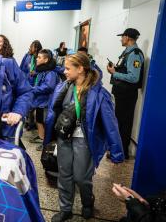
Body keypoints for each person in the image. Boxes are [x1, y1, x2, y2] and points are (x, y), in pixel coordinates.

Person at [44, 53, 124, 221]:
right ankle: (65, 209)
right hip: (64, 137)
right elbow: (53, 112)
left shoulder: (99, 93)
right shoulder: (64, 87)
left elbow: (111, 124)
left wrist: (116, 151)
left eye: (67, 68)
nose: (64, 71)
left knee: (81, 176)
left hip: (84, 139)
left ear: (80, 69)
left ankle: (87, 202)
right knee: (64, 174)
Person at [107, 28, 144, 160]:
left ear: (128, 38)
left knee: (124, 123)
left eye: (122, 36)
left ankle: (122, 153)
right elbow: (126, 71)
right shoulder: (126, 53)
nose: (121, 39)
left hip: (127, 94)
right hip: (122, 93)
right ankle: (118, 150)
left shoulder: (135, 54)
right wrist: (115, 69)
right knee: (120, 122)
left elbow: (134, 77)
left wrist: (114, 73)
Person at [30, 49, 60, 150]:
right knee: (38, 119)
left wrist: (33, 89)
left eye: (39, 57)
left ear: (46, 60)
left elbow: (48, 87)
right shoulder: (42, 71)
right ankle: (42, 138)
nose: (36, 59)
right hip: (40, 101)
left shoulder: (50, 73)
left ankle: (46, 144)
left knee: (46, 122)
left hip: (46, 102)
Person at [20, 40, 42, 131]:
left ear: (36, 48)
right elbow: (21, 68)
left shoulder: (40, 57)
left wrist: (36, 72)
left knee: (33, 105)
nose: (29, 48)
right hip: (26, 83)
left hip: (35, 84)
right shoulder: (27, 56)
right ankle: (29, 123)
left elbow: (43, 70)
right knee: (28, 104)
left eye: (31, 46)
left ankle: (31, 123)